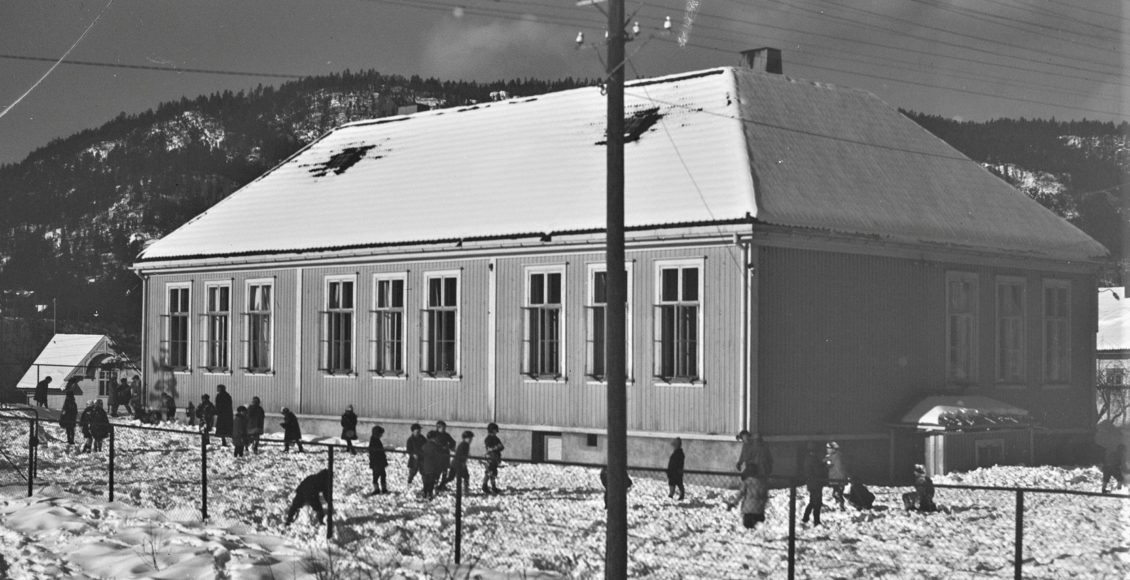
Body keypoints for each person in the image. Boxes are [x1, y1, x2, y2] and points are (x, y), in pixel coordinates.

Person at [727, 463, 770, 529]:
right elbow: (765, 497)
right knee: (757, 526)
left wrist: (734, 503)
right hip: (759, 510)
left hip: (748, 510)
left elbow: (740, 494)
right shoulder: (762, 482)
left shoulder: (747, 482)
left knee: (748, 527)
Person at [419, 431, 450, 499]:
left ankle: (424, 492)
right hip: (433, 468)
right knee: (431, 482)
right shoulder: (436, 447)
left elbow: (421, 456)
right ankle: (429, 493)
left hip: (425, 467)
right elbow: (439, 456)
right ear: (434, 438)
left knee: (426, 481)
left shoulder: (424, 446)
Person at [801, 441, 826, 526]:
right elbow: (818, 471)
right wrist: (824, 466)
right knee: (817, 503)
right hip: (816, 483)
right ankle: (816, 520)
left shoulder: (807, 458)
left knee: (812, 501)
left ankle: (806, 517)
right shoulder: (813, 459)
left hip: (811, 483)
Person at [433, 420, 457, 490]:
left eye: (444, 428)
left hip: (446, 455)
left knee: (445, 471)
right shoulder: (435, 435)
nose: (443, 429)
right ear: (438, 428)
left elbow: (453, 442)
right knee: (437, 471)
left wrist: (449, 446)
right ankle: (435, 483)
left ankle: (442, 484)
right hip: (438, 456)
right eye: (441, 428)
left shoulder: (446, 435)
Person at [482, 422, 504, 495]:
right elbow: (489, 448)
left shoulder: (496, 438)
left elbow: (501, 446)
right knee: (489, 472)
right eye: (495, 430)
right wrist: (496, 447)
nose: (496, 431)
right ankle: (484, 485)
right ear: (492, 430)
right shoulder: (488, 439)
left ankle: (493, 487)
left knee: (493, 472)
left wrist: (498, 447)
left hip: (495, 458)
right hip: (490, 458)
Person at [825, 441, 847, 509]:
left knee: (838, 493)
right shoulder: (831, 456)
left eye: (829, 448)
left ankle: (841, 505)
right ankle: (839, 504)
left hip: (839, 478)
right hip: (835, 478)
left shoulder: (836, 456)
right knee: (836, 493)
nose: (827, 449)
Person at [368, 425, 389, 495]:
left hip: (379, 462)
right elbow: (376, 453)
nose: (381, 435)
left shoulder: (376, 440)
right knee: (376, 475)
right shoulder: (374, 441)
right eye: (381, 434)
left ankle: (383, 488)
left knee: (383, 475)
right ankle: (377, 488)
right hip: (376, 462)